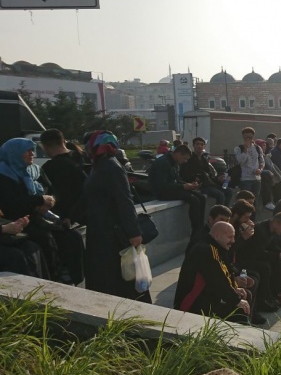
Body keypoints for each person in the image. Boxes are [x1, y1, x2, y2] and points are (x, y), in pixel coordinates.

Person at [0, 137, 84, 284]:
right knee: (43, 238)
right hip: (17, 220)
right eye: (27, 150)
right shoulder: (4, 175)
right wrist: (39, 202)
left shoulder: (35, 171)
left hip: (41, 215)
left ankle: (73, 276)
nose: (32, 153)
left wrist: (49, 201)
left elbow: (52, 191)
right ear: (15, 153)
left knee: (72, 236)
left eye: (32, 150)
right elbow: (11, 203)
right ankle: (53, 278)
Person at [82, 131, 147, 301]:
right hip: (100, 229)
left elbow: (124, 201)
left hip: (110, 233)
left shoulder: (111, 167)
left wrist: (134, 232)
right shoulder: (99, 165)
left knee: (114, 277)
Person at [174, 221, 253, 322]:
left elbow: (223, 273)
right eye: (230, 237)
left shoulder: (215, 247)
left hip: (205, 298)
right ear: (216, 236)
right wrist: (236, 300)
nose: (233, 241)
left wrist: (234, 287)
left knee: (245, 297)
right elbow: (217, 280)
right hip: (192, 306)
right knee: (240, 310)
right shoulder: (206, 251)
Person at [148, 143, 206, 235]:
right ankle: (196, 229)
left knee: (201, 198)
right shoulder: (163, 163)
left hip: (172, 189)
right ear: (179, 154)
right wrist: (183, 186)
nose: (185, 161)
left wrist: (188, 184)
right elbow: (162, 185)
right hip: (163, 192)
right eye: (185, 158)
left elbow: (177, 180)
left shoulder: (175, 163)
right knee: (194, 200)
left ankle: (201, 226)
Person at [40, 128, 88, 224]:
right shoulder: (83, 157)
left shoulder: (50, 167)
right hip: (89, 215)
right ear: (63, 141)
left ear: (45, 146)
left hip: (66, 220)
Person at [181, 137, 228, 205]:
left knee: (228, 190)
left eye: (202, 144)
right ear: (193, 145)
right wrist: (195, 178)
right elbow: (184, 173)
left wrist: (219, 178)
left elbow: (210, 174)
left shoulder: (204, 159)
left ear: (204, 146)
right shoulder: (189, 158)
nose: (199, 146)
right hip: (201, 186)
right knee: (220, 195)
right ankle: (218, 213)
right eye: (197, 144)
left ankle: (225, 213)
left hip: (210, 183)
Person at [234, 127, 265, 199]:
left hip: (256, 178)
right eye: (246, 137)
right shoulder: (238, 148)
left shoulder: (258, 148)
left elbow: (262, 161)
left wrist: (260, 169)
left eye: (250, 137)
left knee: (255, 200)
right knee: (246, 199)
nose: (248, 139)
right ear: (243, 137)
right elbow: (240, 161)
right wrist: (245, 149)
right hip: (245, 179)